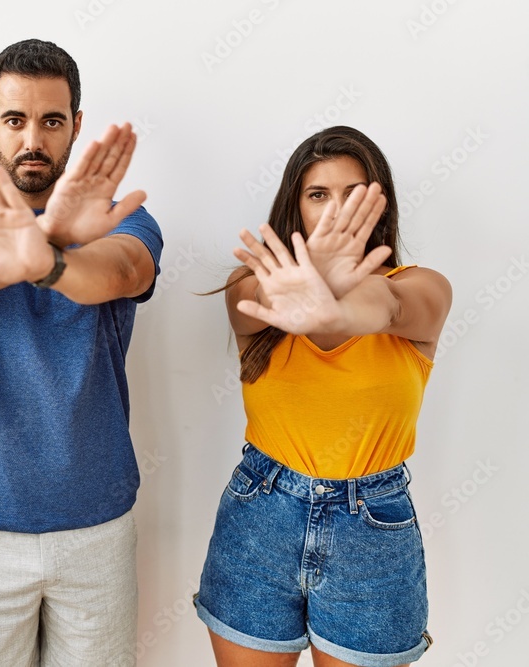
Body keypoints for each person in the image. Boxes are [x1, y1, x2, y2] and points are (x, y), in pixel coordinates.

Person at [0, 39, 163, 666]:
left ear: (76, 125)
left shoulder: (120, 222)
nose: (32, 139)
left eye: (51, 121)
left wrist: (47, 255)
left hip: (94, 522)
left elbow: (119, 272)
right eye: (15, 120)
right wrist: (44, 240)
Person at [193, 126, 452, 667]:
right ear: (296, 207)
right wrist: (313, 286)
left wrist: (339, 310)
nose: (336, 211)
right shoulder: (254, 289)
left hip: (373, 533)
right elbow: (261, 295)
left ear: (379, 206)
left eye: (354, 194)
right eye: (318, 195)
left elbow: (392, 307)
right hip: (259, 516)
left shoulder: (423, 286)